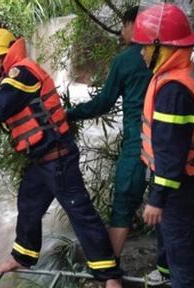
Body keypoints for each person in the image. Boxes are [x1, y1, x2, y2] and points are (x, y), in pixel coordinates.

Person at [0, 28, 123, 288]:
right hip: (42, 161)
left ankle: (110, 275)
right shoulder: (18, 74)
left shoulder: (21, 74)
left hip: (58, 158)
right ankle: (24, 257)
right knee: (28, 205)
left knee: (81, 214)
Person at [133, 3, 194, 288]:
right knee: (170, 231)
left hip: (176, 180)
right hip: (185, 176)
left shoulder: (173, 91)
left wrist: (156, 197)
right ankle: (165, 271)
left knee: (181, 243)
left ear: (162, 47)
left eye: (144, 47)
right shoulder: (187, 71)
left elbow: (171, 155)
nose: (140, 54)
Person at [67, 6, 152, 262]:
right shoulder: (168, 56)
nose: (121, 32)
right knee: (180, 194)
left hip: (138, 143)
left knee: (123, 202)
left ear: (132, 24)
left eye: (123, 25)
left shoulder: (125, 61)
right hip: (169, 140)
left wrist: (69, 113)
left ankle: (109, 267)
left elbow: (102, 104)